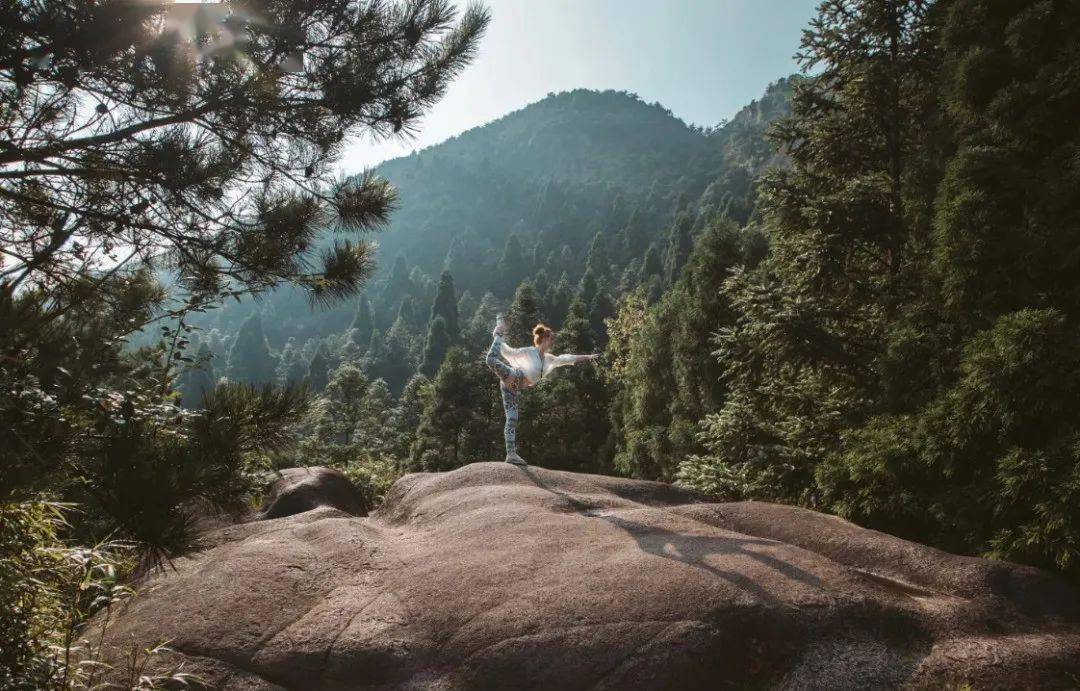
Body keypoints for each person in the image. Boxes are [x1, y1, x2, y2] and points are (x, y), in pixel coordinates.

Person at [484, 314, 599, 466]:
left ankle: (511, 454)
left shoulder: (549, 359)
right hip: (513, 376)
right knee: (490, 360)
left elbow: (567, 358)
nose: (553, 341)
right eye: (551, 338)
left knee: (512, 418)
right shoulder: (529, 351)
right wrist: (497, 334)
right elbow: (509, 352)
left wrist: (589, 357)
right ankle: (499, 330)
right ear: (544, 338)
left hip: (512, 389)